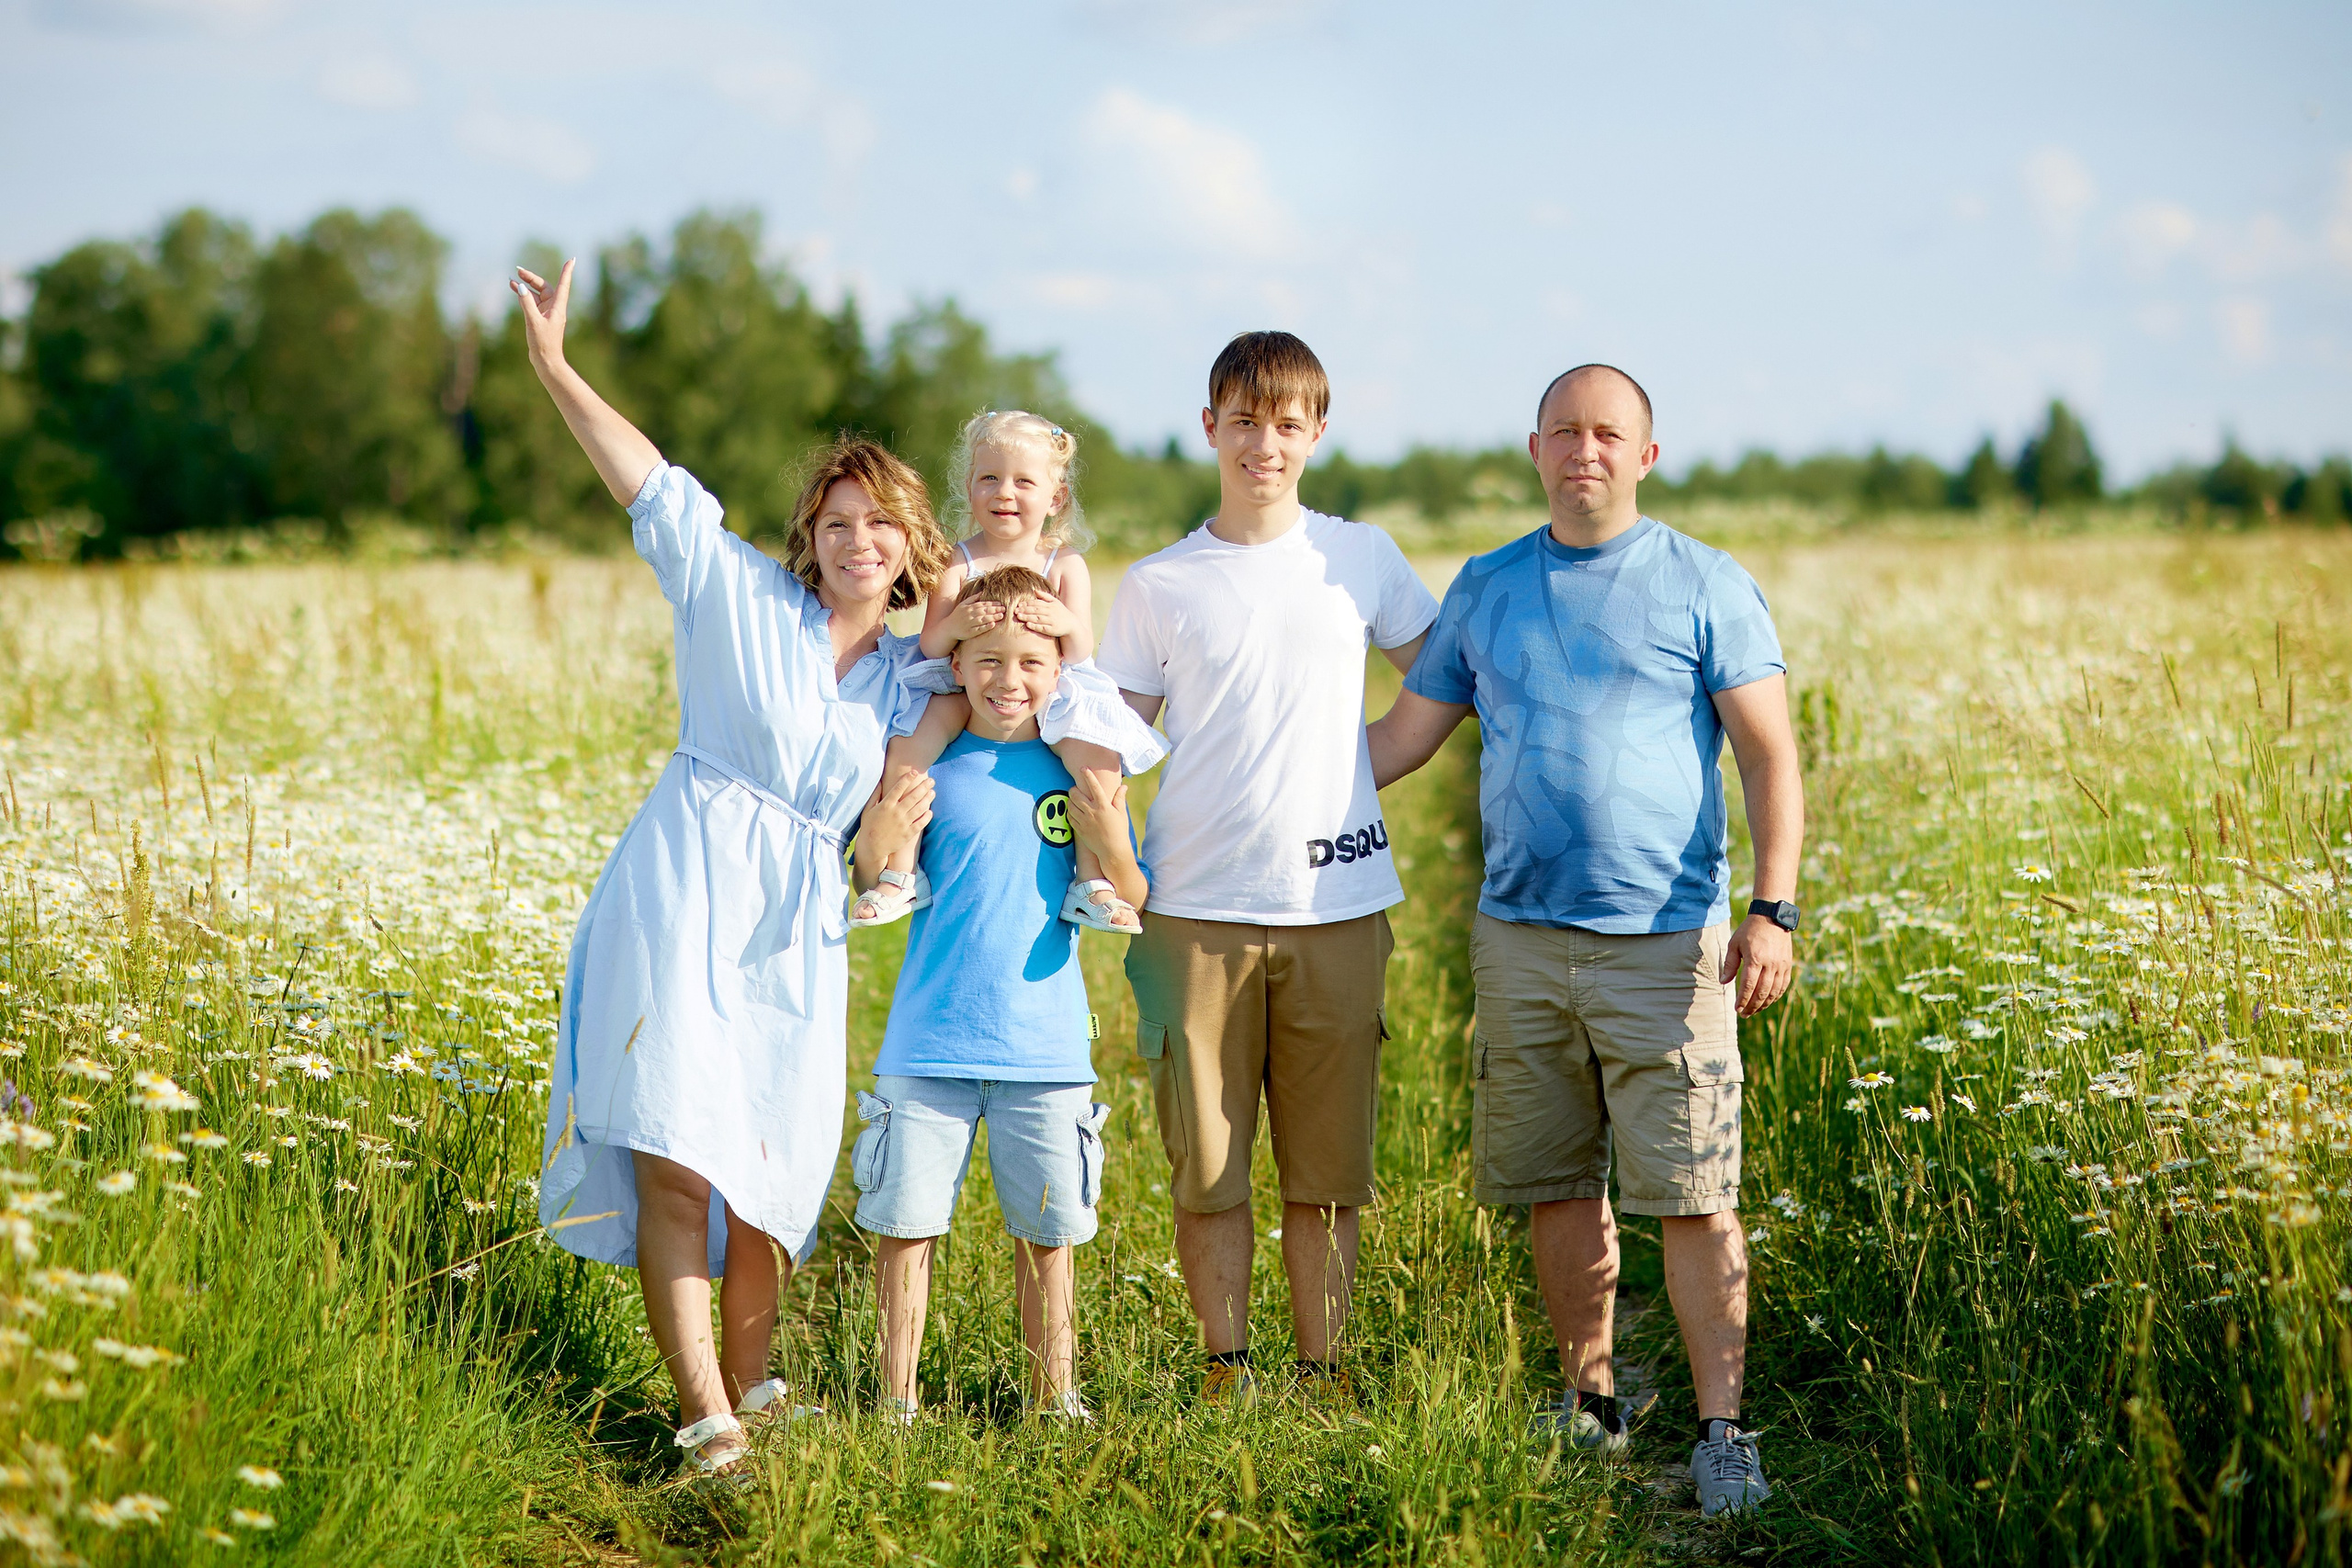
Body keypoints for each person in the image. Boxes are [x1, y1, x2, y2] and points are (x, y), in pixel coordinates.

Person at [513, 260, 949, 1484]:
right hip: (684, 880)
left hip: (798, 922)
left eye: (884, 523)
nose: (859, 540)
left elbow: (1024, 622)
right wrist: (556, 366)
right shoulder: (736, 592)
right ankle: (710, 1419)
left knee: (773, 1161)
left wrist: (955, 578)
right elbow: (645, 477)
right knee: (674, 1141)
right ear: (806, 537)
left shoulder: (917, 681)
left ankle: (764, 1387)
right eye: (837, 519)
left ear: (910, 546)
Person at [1368, 363, 1802, 1517]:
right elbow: (1400, 743)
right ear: (1535, 448)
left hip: (1670, 945)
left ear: (1645, 456)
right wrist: (1239, 771)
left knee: (1694, 1190)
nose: (1585, 451)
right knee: (1556, 1182)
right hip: (1519, 940)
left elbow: (1767, 755)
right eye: (1565, 432)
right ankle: (1591, 1401)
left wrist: (1773, 908)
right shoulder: (1489, 586)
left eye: (1609, 433)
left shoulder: (1706, 584)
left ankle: (1721, 1431)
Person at [1096, 331, 1440, 1404]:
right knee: (1206, 1165)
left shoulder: (1362, 559)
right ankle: (1224, 1369)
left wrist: (1354, 774)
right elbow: (1108, 747)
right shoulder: (1159, 584)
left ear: (1316, 434)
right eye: (1243, 421)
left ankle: (1325, 1369)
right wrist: (1118, 867)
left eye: (1287, 424)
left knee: (1328, 1172)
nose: (1264, 444)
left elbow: (1442, 686)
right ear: (1210, 427)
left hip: (1335, 906)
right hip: (1192, 912)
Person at [844, 567, 1145, 1423]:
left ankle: (1054, 1397)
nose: (1008, 681)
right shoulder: (935, 760)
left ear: (1060, 669)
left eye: (1030, 664)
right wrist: (882, 844)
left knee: (1049, 1235)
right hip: (928, 1040)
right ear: (957, 661)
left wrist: (1109, 838)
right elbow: (872, 875)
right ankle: (896, 1400)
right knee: (906, 1227)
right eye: (986, 660)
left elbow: (1133, 892)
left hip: (1044, 1047)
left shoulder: (1076, 767)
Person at [852, 412, 1166, 935]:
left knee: (1098, 763)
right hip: (959, 684)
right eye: (989, 478)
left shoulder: (1064, 564)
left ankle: (1093, 883)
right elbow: (932, 643)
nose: (1005, 492)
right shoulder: (959, 560)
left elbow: (1081, 650)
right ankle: (897, 875)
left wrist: (1063, 620)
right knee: (908, 748)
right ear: (970, 489)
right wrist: (957, 622)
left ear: (1055, 497)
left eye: (1024, 481)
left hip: (1052, 688)